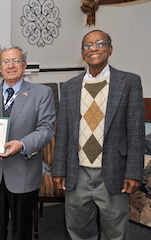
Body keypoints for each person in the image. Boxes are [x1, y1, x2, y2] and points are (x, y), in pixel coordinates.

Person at [52, 30, 145, 240]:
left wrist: (133, 172)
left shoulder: (129, 82)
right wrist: (59, 168)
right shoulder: (70, 87)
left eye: (100, 43)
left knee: (115, 232)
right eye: (88, 45)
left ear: (110, 49)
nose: (94, 48)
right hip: (78, 173)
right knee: (78, 229)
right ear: (83, 54)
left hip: (113, 172)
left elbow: (136, 131)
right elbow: (63, 131)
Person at [0, 45, 56, 240]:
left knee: (22, 230)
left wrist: (22, 144)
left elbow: (47, 129)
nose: (10, 65)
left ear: (24, 65)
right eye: (6, 61)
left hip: (24, 171)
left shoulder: (42, 93)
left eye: (16, 61)